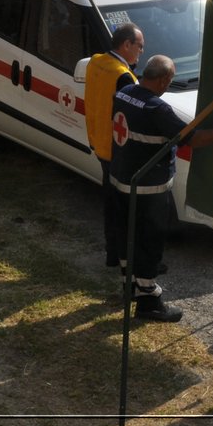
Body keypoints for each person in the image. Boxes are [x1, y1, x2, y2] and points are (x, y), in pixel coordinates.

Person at [111, 56, 213, 322]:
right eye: (170, 80)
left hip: (121, 179)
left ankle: (129, 287)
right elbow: (193, 139)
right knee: (150, 243)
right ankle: (149, 301)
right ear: (163, 80)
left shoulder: (124, 93)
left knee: (127, 237)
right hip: (149, 189)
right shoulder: (157, 109)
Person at [86, 23, 143, 268]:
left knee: (110, 204)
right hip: (118, 151)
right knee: (125, 209)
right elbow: (128, 117)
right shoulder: (124, 76)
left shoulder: (96, 62)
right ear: (126, 45)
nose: (141, 52)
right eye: (139, 46)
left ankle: (112, 253)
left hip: (99, 143)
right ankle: (125, 258)